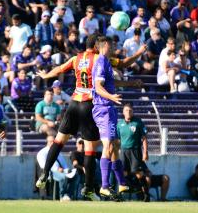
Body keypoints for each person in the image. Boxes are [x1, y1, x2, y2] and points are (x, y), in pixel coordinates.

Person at [36, 34, 147, 201]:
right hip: (90, 104)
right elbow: (123, 63)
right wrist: (139, 52)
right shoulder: (100, 58)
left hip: (74, 103)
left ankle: (44, 174)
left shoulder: (76, 58)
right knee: (90, 148)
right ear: (97, 46)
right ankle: (89, 187)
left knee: (59, 141)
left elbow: (59, 69)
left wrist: (46, 76)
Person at [92, 36, 134, 199]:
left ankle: (122, 184)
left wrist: (131, 84)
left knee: (115, 144)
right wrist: (111, 97)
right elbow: (98, 86)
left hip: (109, 107)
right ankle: (104, 186)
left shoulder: (107, 62)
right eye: (113, 44)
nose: (115, 46)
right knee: (109, 145)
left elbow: (110, 83)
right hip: (103, 108)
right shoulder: (101, 62)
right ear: (105, 46)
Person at [117, 103, 149, 201]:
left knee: (138, 173)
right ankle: (122, 195)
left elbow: (144, 138)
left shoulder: (138, 122)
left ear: (133, 112)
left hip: (135, 151)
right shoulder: (119, 124)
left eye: (130, 110)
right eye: (126, 110)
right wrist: (116, 151)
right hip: (123, 152)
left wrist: (145, 152)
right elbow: (118, 140)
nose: (128, 112)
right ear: (123, 112)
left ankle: (146, 195)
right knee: (123, 173)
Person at [37, 135, 77, 201]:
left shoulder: (58, 153)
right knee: (63, 177)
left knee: (75, 176)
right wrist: (56, 168)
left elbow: (64, 164)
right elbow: (43, 166)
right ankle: (62, 196)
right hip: (52, 172)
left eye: (54, 141)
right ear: (47, 142)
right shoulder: (42, 153)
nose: (53, 143)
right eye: (51, 141)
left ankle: (69, 195)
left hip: (63, 171)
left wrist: (67, 170)